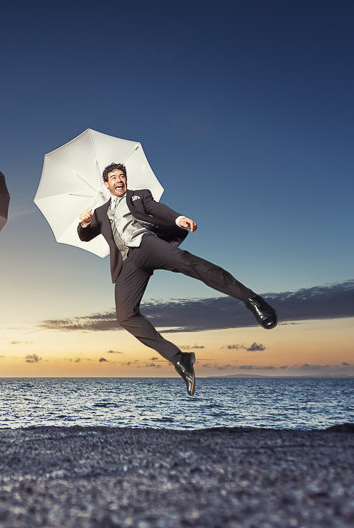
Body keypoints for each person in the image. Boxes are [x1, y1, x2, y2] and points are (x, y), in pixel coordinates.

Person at [78, 163, 277, 396]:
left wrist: (178, 219)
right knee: (125, 316)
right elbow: (86, 236)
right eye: (113, 177)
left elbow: (158, 209)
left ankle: (251, 298)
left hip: (147, 244)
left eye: (122, 176)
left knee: (188, 262)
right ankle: (179, 358)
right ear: (106, 184)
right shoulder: (100, 212)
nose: (119, 180)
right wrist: (84, 222)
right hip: (127, 263)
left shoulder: (140, 196)